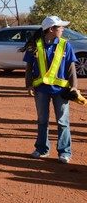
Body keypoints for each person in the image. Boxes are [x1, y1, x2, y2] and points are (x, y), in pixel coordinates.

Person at [23, 15, 78, 163]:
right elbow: (29, 68)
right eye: (60, 27)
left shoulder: (65, 45)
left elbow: (71, 68)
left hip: (61, 91)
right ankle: (42, 149)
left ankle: (64, 152)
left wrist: (74, 87)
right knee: (42, 121)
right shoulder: (34, 45)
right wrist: (28, 85)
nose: (63, 29)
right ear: (51, 29)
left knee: (62, 122)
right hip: (41, 90)